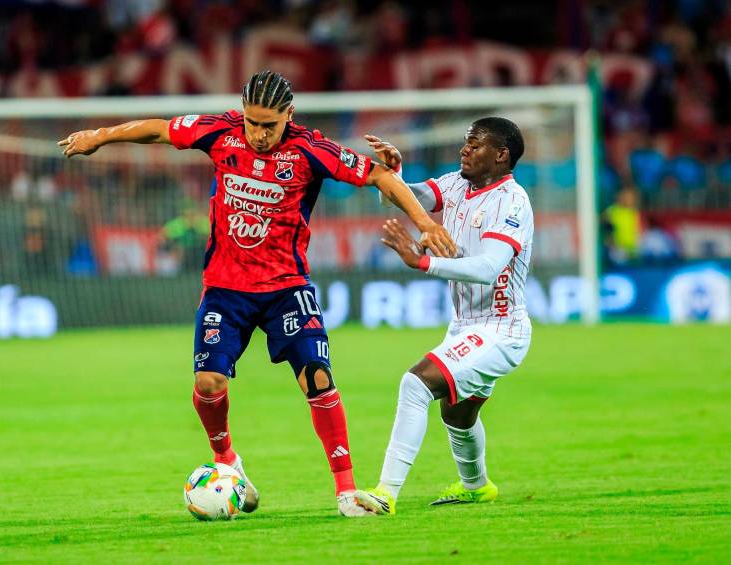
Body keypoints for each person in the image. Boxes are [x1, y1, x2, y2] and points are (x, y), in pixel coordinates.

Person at [58, 70, 455, 517]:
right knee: (208, 383)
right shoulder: (221, 132)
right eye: (252, 122)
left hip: (287, 288)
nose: (259, 133)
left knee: (318, 379)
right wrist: (100, 135)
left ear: (290, 114)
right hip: (226, 289)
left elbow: (381, 176)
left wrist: (426, 224)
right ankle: (228, 460)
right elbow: (158, 129)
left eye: (269, 124)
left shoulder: (310, 149)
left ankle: (346, 491)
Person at [354, 117, 533, 515]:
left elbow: (489, 269)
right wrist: (394, 172)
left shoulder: (512, 202)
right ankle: (477, 487)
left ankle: (385, 492)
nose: (464, 150)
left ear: (501, 155)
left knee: (416, 384)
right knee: (457, 412)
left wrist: (422, 263)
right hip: (466, 325)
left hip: (502, 329)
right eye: (465, 142)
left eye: (475, 144)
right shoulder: (455, 184)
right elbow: (398, 197)